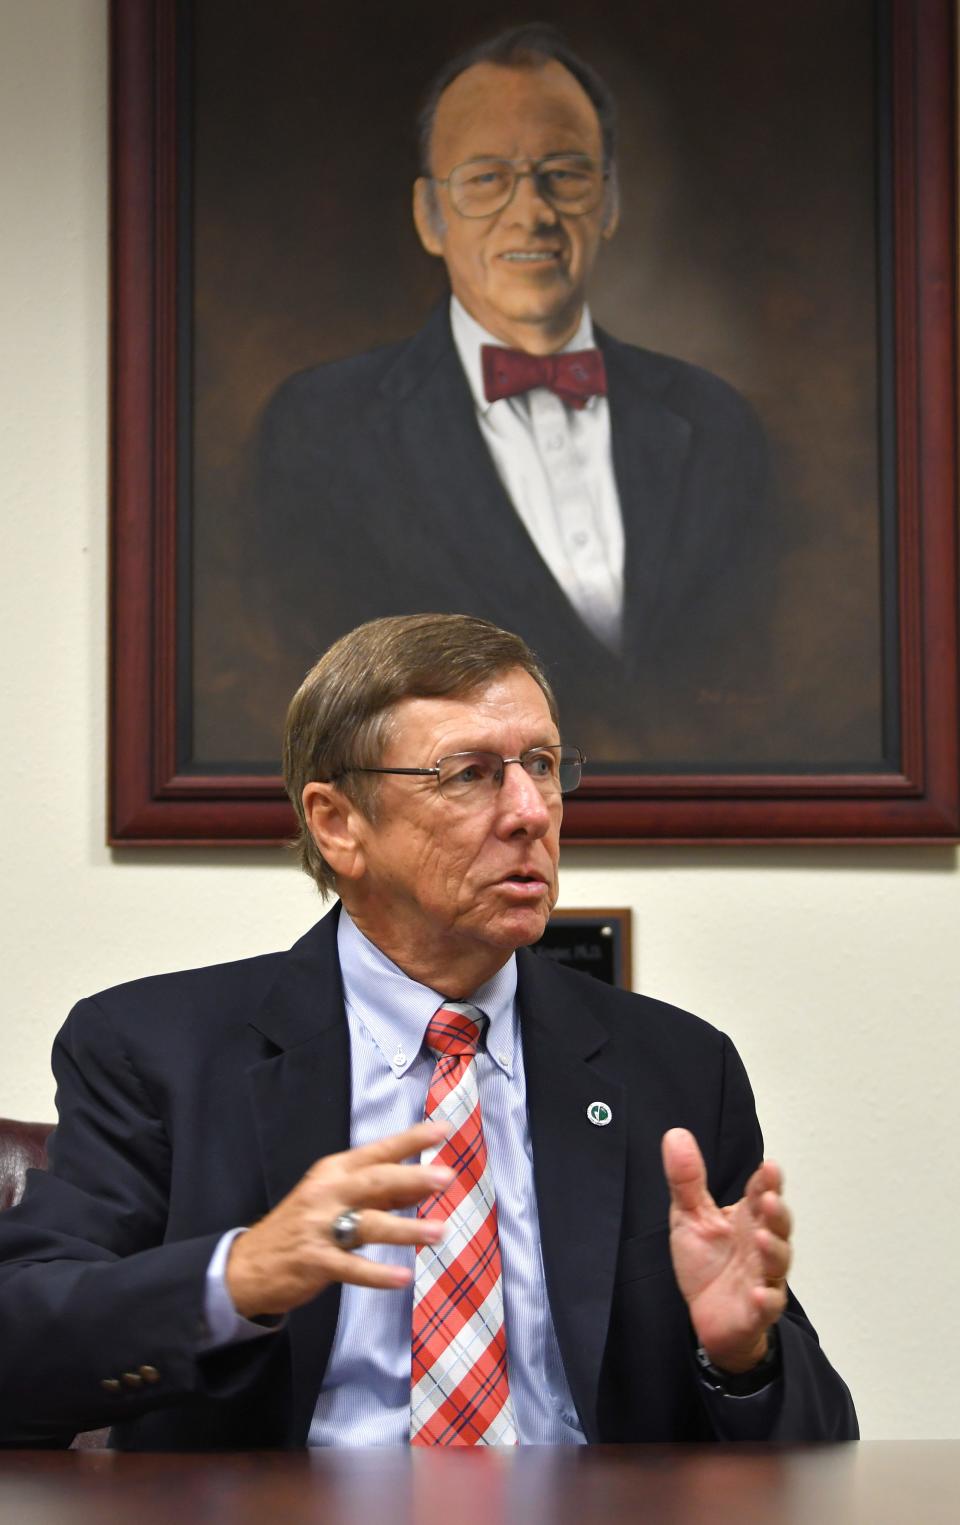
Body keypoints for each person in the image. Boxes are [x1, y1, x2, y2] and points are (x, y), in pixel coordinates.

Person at [0, 613, 855, 1448]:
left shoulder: (674, 1066)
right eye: (470, 773)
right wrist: (240, 1274)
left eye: (544, 766)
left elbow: (819, 1446)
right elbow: (22, 1348)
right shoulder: (155, 1049)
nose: (531, 811)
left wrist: (743, 1357)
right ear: (339, 823)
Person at [252, 23, 775, 767]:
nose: (530, 212)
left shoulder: (719, 425)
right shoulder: (317, 431)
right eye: (487, 178)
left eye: (563, 174)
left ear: (609, 202)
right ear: (430, 216)